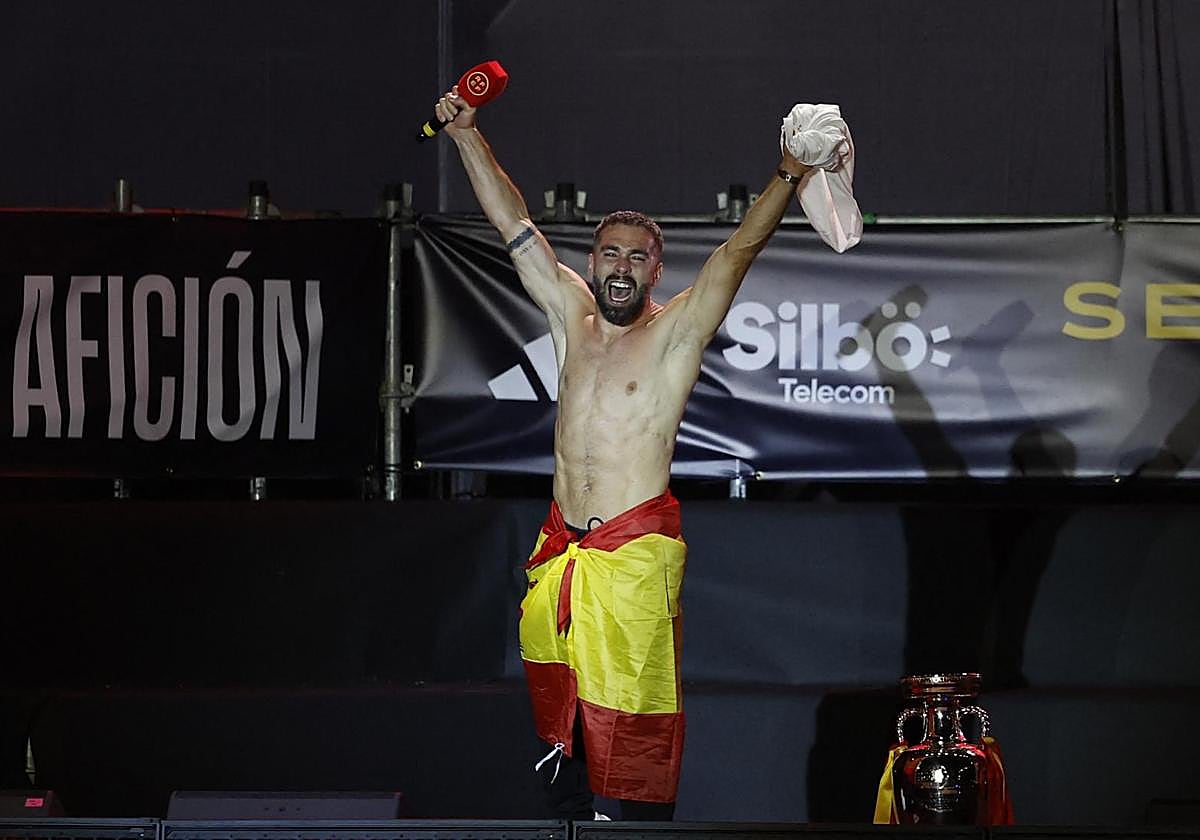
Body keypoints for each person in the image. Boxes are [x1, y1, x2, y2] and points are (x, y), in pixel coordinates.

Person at [434, 85, 836, 820]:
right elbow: (513, 223)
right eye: (609, 253)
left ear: (656, 270)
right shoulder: (571, 318)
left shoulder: (674, 335)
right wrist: (466, 134)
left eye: (637, 257)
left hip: (631, 557)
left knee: (633, 729)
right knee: (564, 731)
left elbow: (735, 253)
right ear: (592, 261)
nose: (620, 267)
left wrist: (787, 175)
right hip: (561, 550)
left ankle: (639, 829)